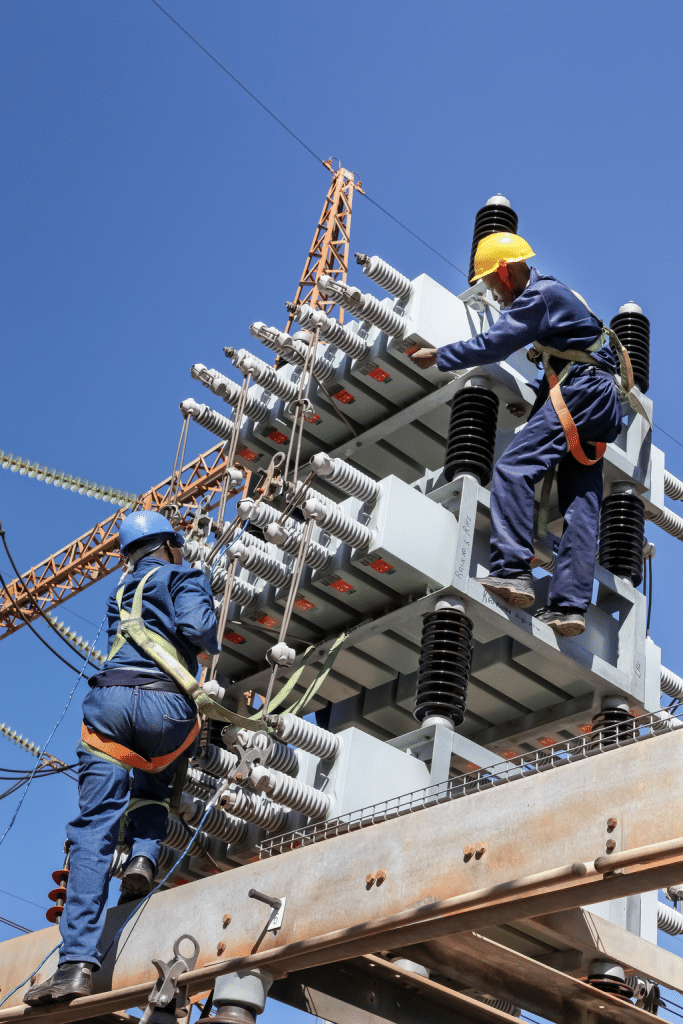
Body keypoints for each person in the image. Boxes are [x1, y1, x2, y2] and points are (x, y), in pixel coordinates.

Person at [25, 510, 220, 1005]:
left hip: (109, 706)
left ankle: (74, 967)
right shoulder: (184, 575)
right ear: (171, 546)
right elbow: (201, 632)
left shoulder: (119, 592)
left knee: (93, 829)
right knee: (154, 780)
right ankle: (143, 858)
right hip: (166, 708)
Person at [409, 232, 624, 638]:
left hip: (582, 391)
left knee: (513, 468)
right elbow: (568, 360)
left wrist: (440, 357)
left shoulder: (539, 296)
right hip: (600, 400)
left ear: (506, 271)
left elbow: (494, 344)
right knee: (581, 501)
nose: (494, 294)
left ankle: (512, 572)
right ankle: (568, 608)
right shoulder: (556, 298)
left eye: (491, 283)